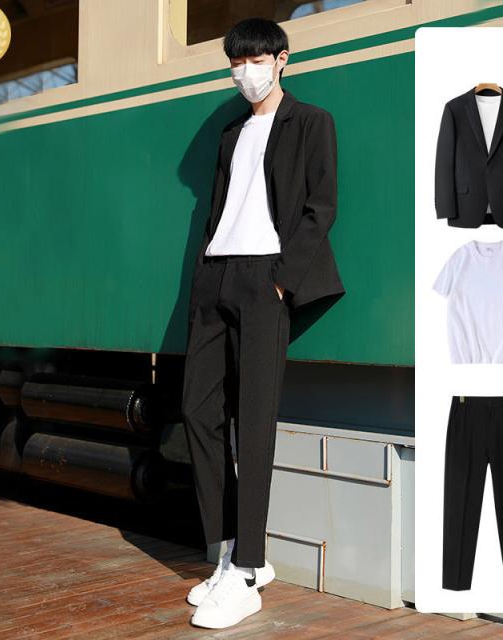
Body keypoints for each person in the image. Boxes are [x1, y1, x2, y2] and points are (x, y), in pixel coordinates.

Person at [182, 16, 345, 629]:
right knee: (198, 411)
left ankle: (249, 570)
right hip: (217, 276)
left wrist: (281, 281)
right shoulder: (231, 133)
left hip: (265, 279)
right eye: (236, 63)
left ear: (281, 60)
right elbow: (220, 209)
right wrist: (206, 273)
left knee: (253, 421)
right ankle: (229, 552)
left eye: (255, 60)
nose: (244, 72)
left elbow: (321, 208)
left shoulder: (312, 122)